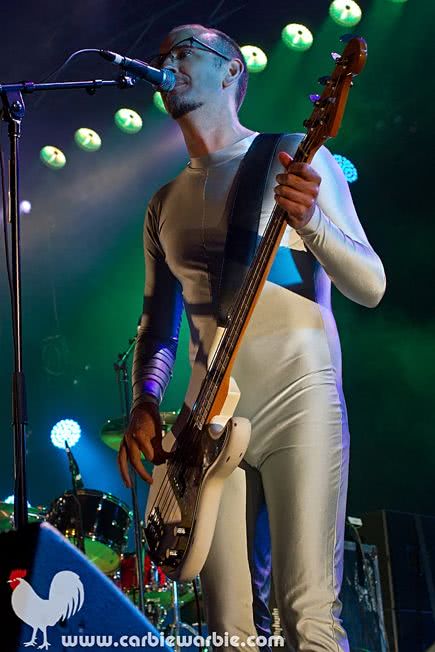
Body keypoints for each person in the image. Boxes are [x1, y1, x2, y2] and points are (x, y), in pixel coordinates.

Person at [117, 23, 386, 652]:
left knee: (307, 613)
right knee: (227, 628)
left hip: (299, 397)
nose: (169, 62)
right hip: (206, 422)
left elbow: (371, 284)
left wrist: (312, 221)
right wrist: (145, 402)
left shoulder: (293, 154)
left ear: (232, 71)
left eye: (186, 51)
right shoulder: (163, 202)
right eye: (163, 55)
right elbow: (157, 325)